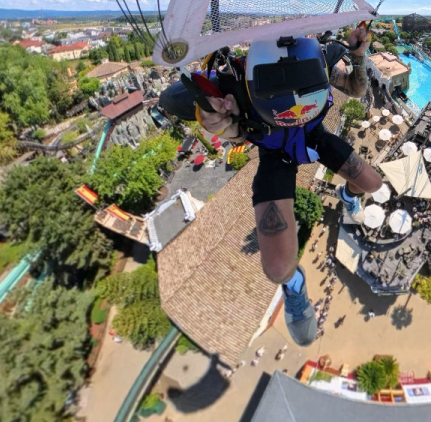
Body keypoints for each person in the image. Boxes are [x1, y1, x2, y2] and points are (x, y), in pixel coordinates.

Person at [158, 24, 384, 346]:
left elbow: (355, 88)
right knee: (278, 267)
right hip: (275, 153)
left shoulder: (317, 63)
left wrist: (358, 57)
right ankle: (292, 285)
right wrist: (221, 124)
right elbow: (232, 128)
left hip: (313, 137)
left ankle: (347, 195)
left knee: (371, 183)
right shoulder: (234, 87)